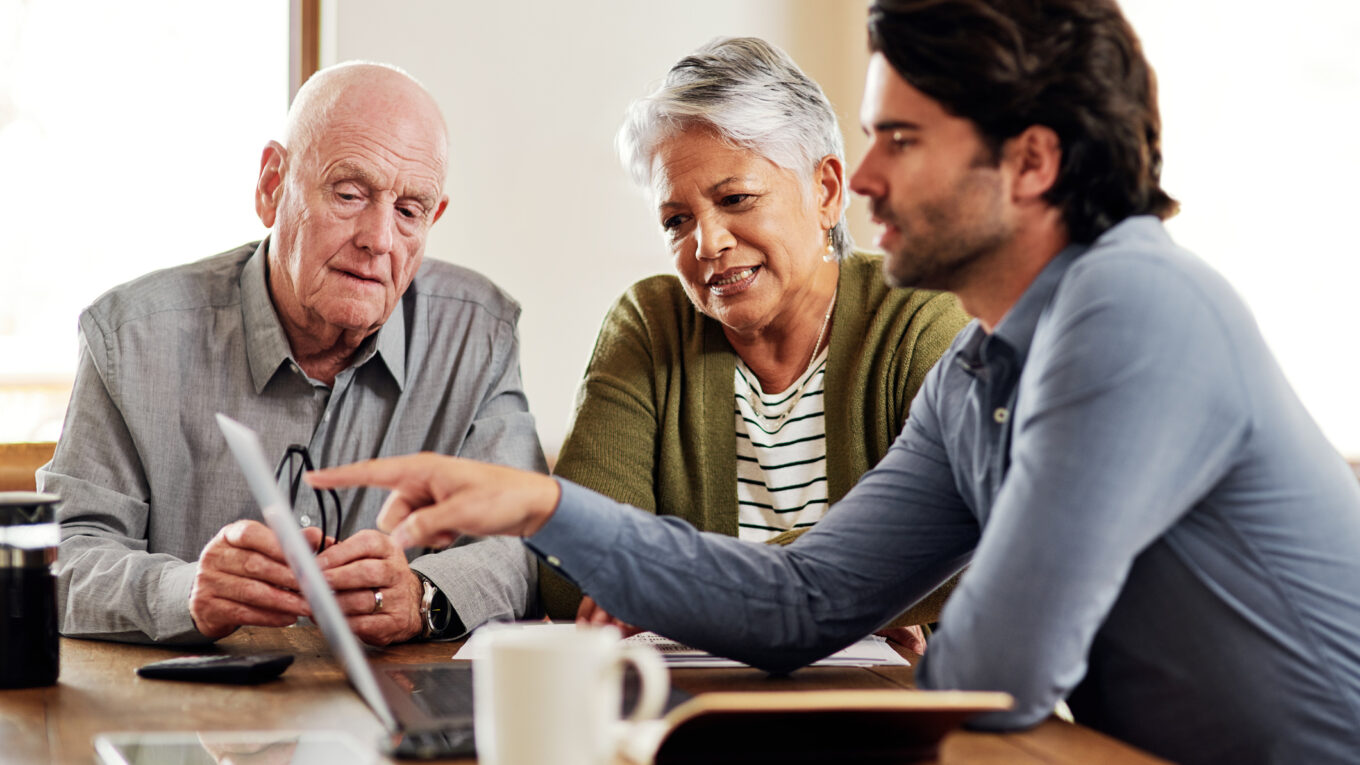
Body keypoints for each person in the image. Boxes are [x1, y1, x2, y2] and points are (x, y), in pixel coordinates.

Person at [309, 1, 1360, 763]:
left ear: (1031, 162)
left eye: (898, 140)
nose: (859, 178)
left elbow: (989, 681)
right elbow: (800, 602)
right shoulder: (978, 371)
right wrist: (543, 504)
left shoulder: (1129, 307)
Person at [39, 62, 546, 646]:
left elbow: (520, 544)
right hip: (187, 714)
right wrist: (185, 591)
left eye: (409, 211)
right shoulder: (131, 337)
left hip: (394, 714)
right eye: (350, 193)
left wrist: (421, 594)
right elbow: (63, 552)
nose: (379, 238)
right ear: (272, 186)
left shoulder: (479, 334)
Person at [544, 38, 970, 650]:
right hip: (688, 714)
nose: (706, 243)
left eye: (734, 199)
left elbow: (969, 539)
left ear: (825, 191)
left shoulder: (921, 319)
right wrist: (863, 593)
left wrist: (673, 587)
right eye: (676, 220)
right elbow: (572, 573)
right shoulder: (649, 324)